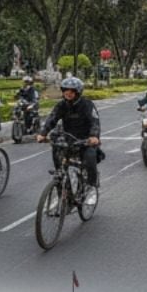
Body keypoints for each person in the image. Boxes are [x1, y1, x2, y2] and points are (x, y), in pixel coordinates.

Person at [36, 76, 102, 206]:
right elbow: (52, 119)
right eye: (65, 90)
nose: (68, 93)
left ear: (78, 92)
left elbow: (95, 122)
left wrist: (94, 136)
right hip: (68, 139)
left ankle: (91, 189)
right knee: (57, 151)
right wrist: (43, 133)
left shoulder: (87, 104)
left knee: (90, 159)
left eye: (72, 91)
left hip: (85, 139)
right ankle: (61, 191)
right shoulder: (61, 105)